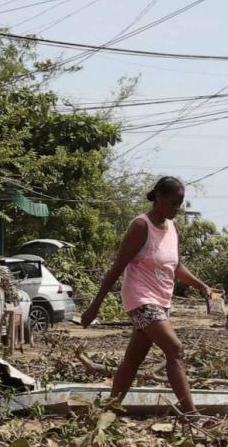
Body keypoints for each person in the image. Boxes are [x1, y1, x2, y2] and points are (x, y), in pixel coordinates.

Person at [81, 177, 212, 412]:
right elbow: (117, 267)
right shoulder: (141, 226)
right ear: (159, 197)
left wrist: (200, 284)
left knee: (134, 359)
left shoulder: (172, 227)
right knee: (175, 349)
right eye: (173, 203)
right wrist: (94, 307)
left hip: (161, 301)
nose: (176, 209)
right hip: (140, 299)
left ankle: (109, 410)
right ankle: (191, 416)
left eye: (180, 204)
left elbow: (175, 266)